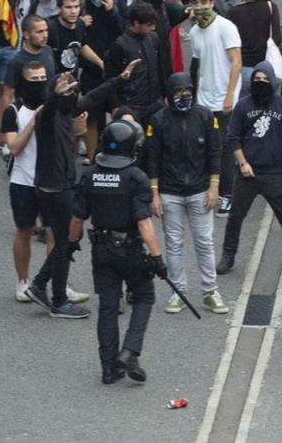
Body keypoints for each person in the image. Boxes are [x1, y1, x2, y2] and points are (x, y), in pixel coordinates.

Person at [67, 119, 166, 384]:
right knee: (144, 296)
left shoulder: (89, 175)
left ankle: (109, 368)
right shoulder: (135, 177)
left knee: (108, 307)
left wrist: (70, 244)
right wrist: (157, 257)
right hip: (131, 250)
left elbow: (77, 217)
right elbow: (144, 222)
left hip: (101, 250)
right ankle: (130, 352)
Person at [144, 73, 227, 316]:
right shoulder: (158, 121)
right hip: (170, 193)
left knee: (204, 242)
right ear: (169, 95)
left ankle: (210, 292)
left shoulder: (204, 116)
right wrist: (155, 194)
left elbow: (215, 152)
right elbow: (153, 159)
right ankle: (178, 292)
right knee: (174, 244)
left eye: (188, 91)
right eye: (179, 92)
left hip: (200, 191)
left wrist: (214, 187)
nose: (184, 96)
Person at [217, 63, 282, 278]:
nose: (260, 83)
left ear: (273, 81)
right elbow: (233, 137)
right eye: (257, 79)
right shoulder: (242, 106)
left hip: (273, 173)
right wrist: (242, 163)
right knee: (235, 217)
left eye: (265, 79)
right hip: (247, 174)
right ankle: (228, 256)